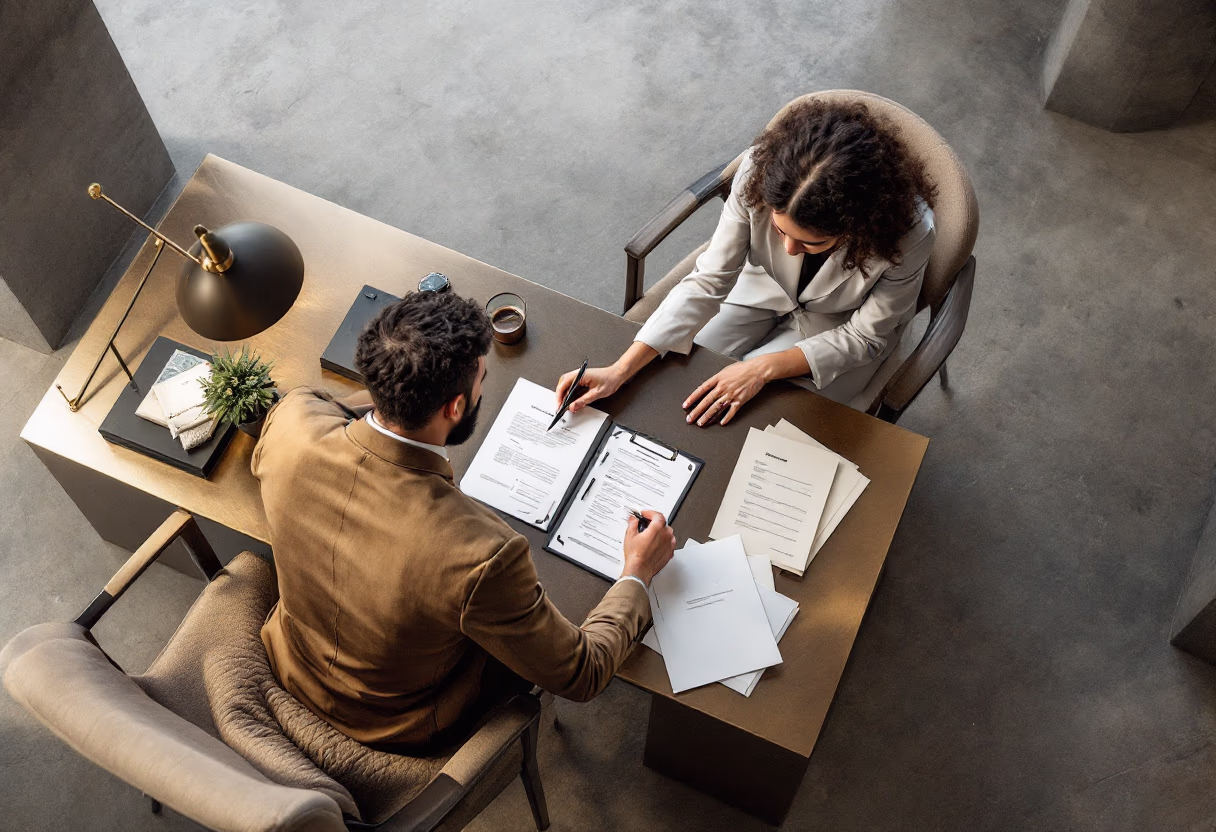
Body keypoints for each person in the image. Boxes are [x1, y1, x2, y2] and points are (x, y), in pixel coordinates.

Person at [252, 290, 676, 750]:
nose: (481, 389)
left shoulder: (291, 423)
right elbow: (581, 674)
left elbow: (328, 405)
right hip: (393, 722)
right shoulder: (484, 555)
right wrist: (638, 571)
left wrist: (396, 402)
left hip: (290, 656)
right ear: (456, 407)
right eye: (481, 381)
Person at [556, 99, 938, 425]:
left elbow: (865, 336)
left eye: (811, 242)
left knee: (761, 421)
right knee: (679, 386)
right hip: (758, 289)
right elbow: (709, 280)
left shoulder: (910, 232)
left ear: (857, 228)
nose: (788, 249)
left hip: (838, 331)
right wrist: (619, 369)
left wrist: (763, 367)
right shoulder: (757, 172)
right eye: (778, 228)